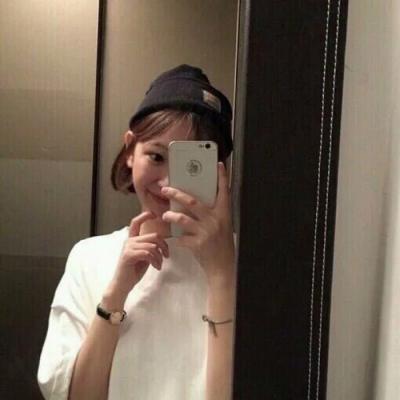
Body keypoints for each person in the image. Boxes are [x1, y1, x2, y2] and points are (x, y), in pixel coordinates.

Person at [37, 64, 236, 400]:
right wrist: (116, 292)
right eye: (156, 157)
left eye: (190, 166)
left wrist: (222, 275)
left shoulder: (243, 262)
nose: (168, 182)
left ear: (219, 171)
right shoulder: (90, 257)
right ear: (130, 150)